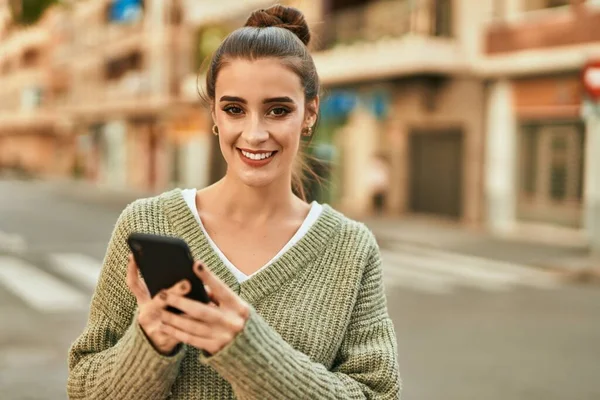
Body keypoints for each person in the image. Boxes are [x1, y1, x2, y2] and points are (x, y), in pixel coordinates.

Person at [67, 5, 401, 399]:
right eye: (234, 109)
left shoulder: (350, 248)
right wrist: (150, 342)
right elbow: (84, 389)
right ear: (214, 114)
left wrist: (250, 351)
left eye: (278, 110)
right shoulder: (146, 223)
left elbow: (377, 395)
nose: (254, 133)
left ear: (309, 114)